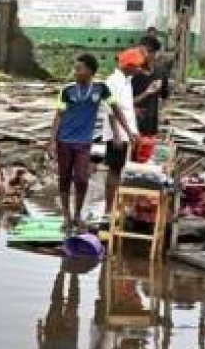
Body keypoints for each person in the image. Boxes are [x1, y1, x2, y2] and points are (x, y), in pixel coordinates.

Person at [49, 53, 136, 232]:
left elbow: (114, 110)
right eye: (75, 68)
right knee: (64, 178)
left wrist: (127, 131)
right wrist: (51, 141)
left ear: (90, 71)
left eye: (79, 69)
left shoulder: (101, 88)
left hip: (84, 142)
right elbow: (58, 116)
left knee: (81, 178)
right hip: (64, 140)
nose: (75, 72)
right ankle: (66, 216)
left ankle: (77, 215)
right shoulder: (67, 90)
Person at [102, 49, 143, 213]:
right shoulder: (113, 81)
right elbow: (110, 109)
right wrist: (117, 135)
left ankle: (114, 207)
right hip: (116, 133)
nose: (138, 69)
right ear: (129, 66)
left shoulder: (127, 81)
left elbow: (128, 110)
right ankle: (108, 209)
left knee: (119, 169)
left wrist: (134, 131)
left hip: (126, 132)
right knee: (114, 169)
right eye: (137, 66)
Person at [131, 41, 169, 137]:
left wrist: (161, 113)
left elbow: (164, 96)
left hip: (151, 122)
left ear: (153, 54)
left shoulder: (160, 71)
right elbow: (124, 102)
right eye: (139, 52)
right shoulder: (133, 73)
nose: (140, 56)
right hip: (133, 122)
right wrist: (146, 93)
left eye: (143, 53)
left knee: (147, 148)